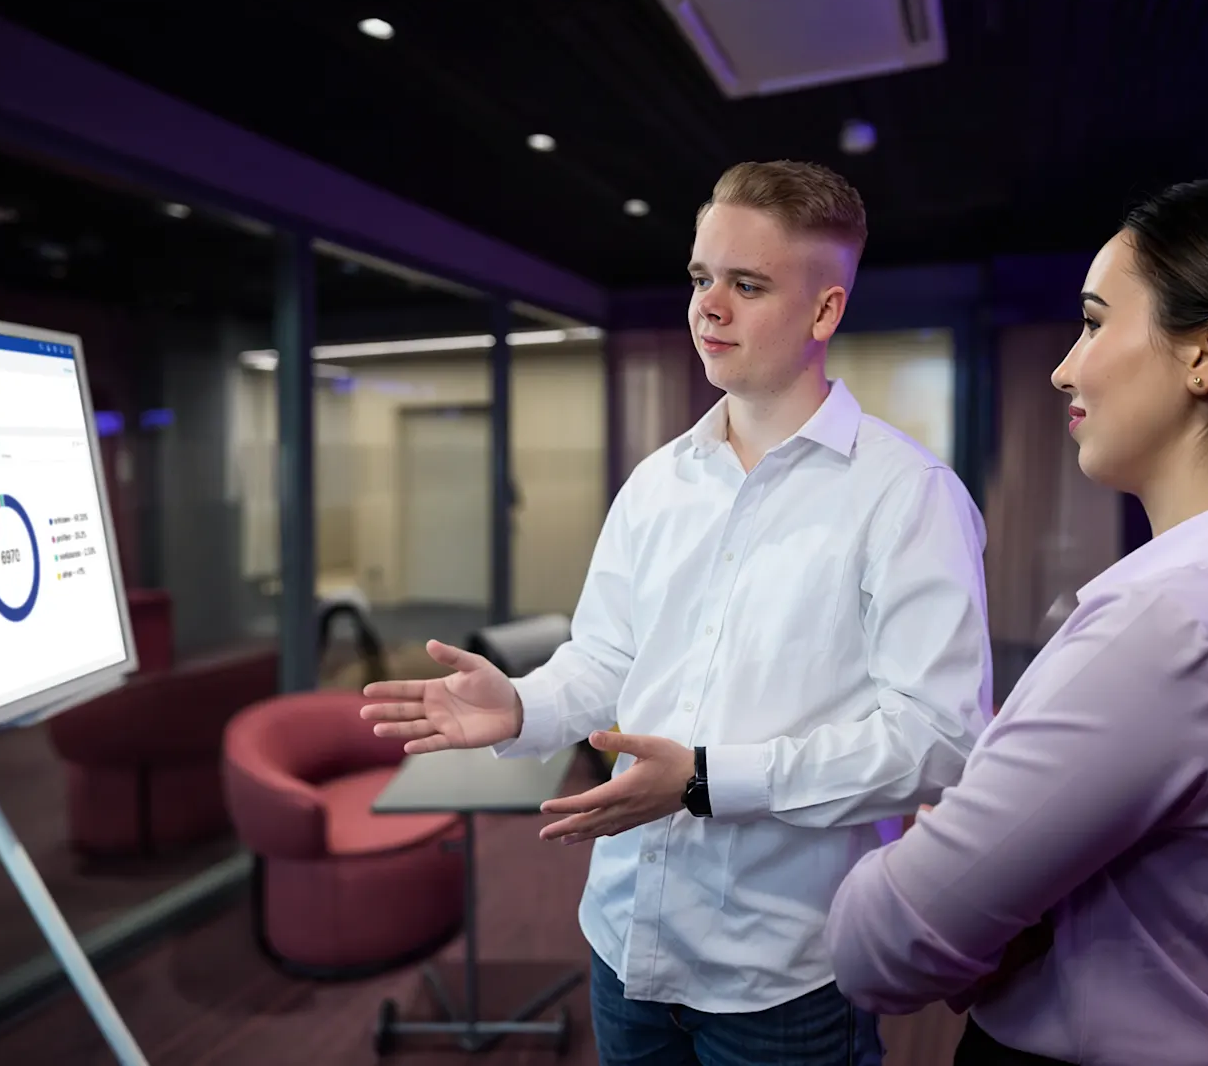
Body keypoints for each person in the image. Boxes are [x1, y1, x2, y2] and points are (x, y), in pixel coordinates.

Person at [360, 160, 994, 1066]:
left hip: (782, 975)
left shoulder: (908, 497)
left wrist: (706, 779)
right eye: (701, 278)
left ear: (824, 312)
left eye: (747, 284)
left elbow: (940, 740)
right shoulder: (657, 482)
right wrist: (526, 707)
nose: (709, 308)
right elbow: (609, 655)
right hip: (623, 943)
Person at [824, 174, 1208, 1066]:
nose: (1067, 365)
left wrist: (939, 846)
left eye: (1097, 321)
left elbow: (878, 947)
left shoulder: (1174, 627)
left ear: (1207, 353)